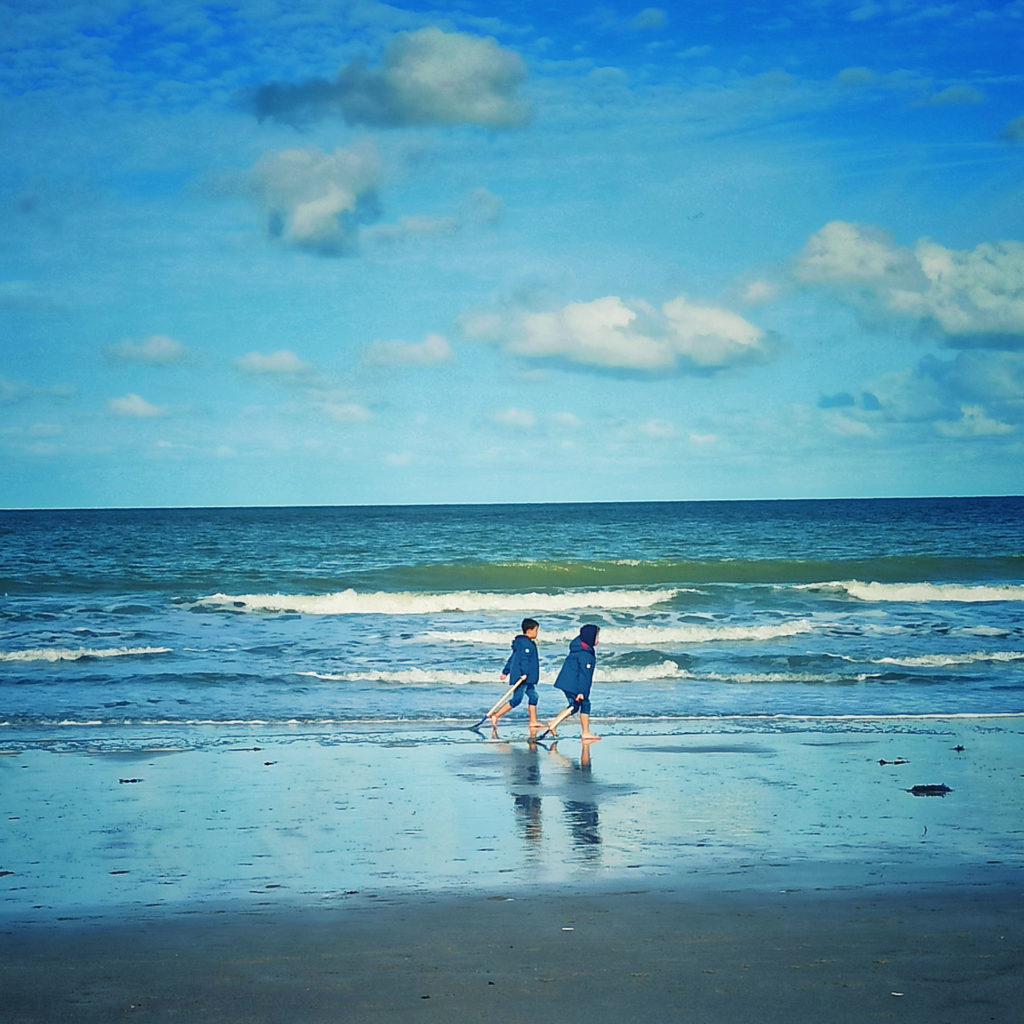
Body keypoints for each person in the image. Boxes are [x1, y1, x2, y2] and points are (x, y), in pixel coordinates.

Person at [543, 624, 601, 742]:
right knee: (584, 703)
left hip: (568, 681)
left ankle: (553, 723)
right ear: (590, 638)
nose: (598, 639)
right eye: (596, 636)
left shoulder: (580, 648)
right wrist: (581, 692)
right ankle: (585, 732)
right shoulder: (585, 654)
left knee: (574, 707)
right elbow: (584, 675)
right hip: (573, 683)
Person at [488, 618, 541, 733]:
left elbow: (512, 658)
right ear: (529, 630)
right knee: (517, 699)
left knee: (534, 697)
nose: (537, 633)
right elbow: (524, 660)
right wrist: (524, 673)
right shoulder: (525, 644)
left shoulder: (524, 643)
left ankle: (533, 721)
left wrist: (505, 671)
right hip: (522, 677)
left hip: (527, 678)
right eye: (536, 630)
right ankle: (496, 716)